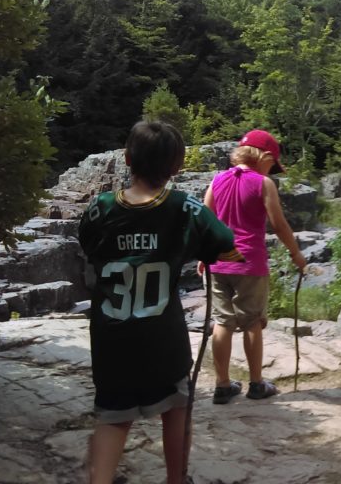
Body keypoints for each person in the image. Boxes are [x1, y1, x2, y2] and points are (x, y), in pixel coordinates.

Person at [78, 120, 242, 484]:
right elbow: (226, 244)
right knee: (177, 406)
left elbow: (87, 244)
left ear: (127, 159)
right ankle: (175, 480)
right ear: (176, 167)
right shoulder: (184, 208)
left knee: (113, 416)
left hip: (112, 337)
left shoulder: (100, 208)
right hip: (161, 336)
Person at [202, 129, 308, 404]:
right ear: (265, 156)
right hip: (249, 261)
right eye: (273, 163)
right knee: (251, 322)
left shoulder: (217, 180)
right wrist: (296, 254)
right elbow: (278, 223)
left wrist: (203, 257)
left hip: (219, 260)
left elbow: (204, 221)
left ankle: (223, 385)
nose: (272, 169)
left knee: (222, 322)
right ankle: (257, 384)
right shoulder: (263, 183)